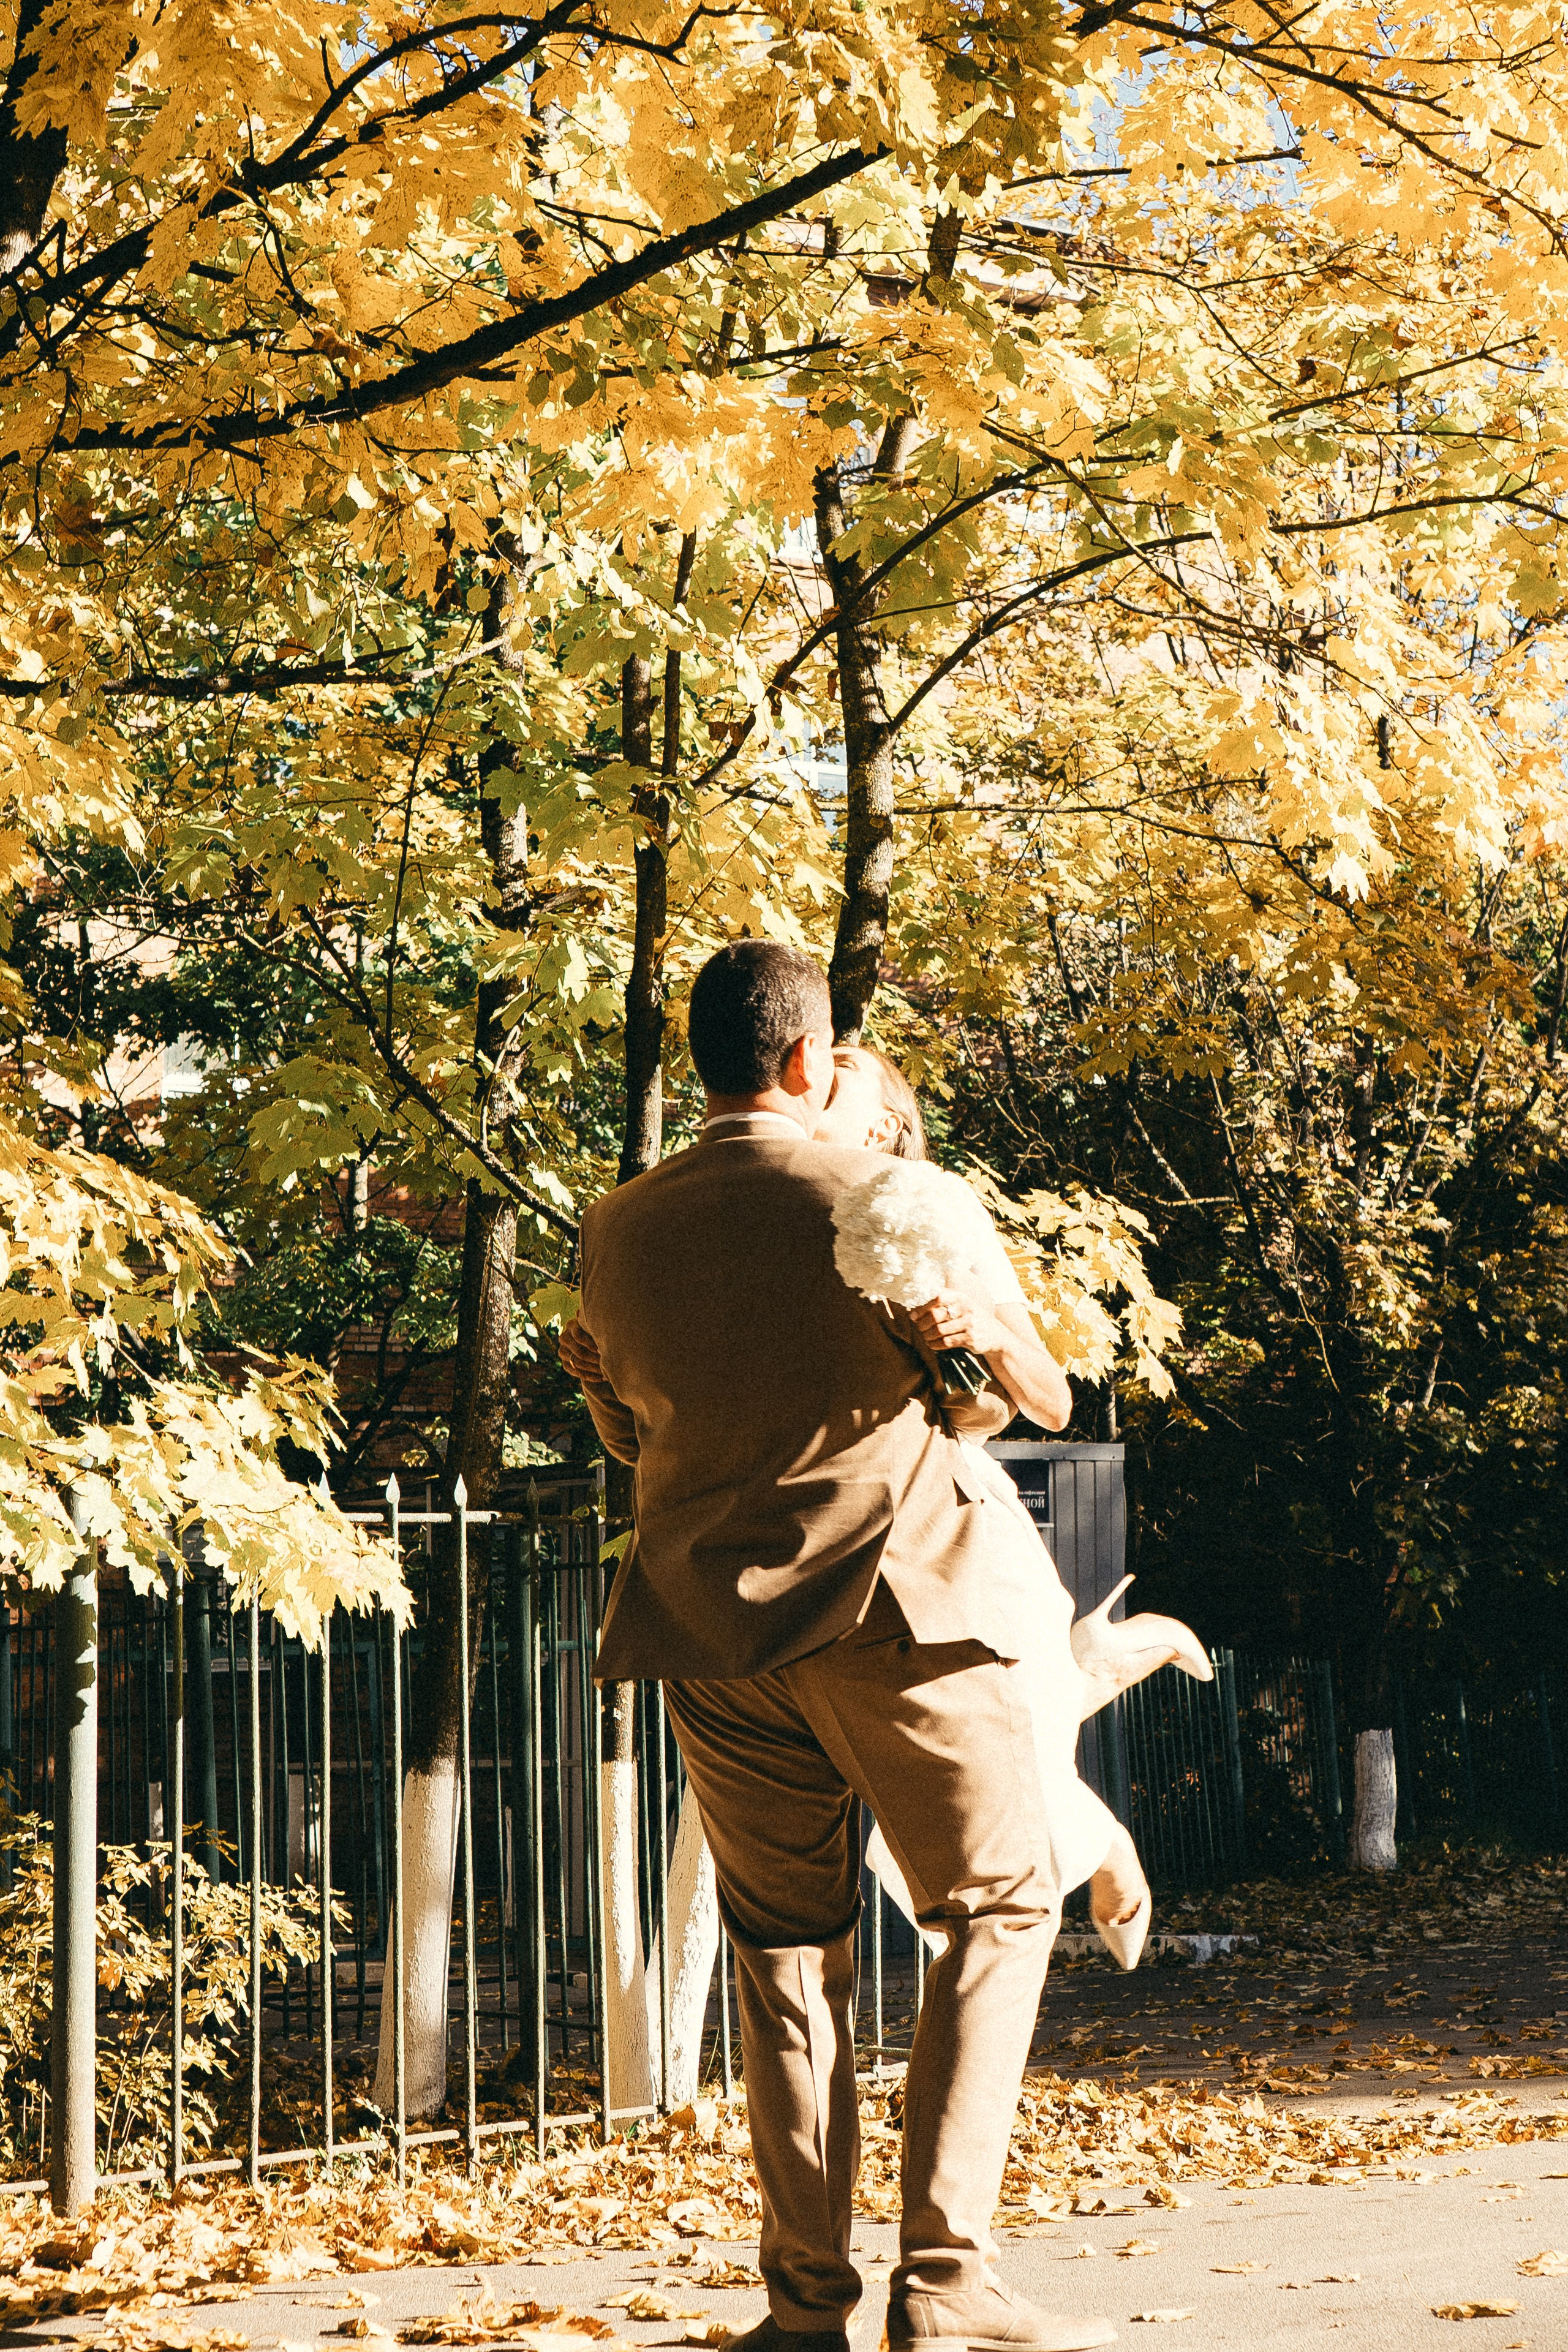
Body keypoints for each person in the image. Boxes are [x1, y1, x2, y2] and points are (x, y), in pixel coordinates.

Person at [568, 941, 1115, 2352]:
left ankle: (802, 2307)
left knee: (783, 1955)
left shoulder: (614, 1229)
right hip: (899, 1620)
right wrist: (964, 1329)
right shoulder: (882, 1198)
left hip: (710, 1641)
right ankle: (942, 2281)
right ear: (809, 1059)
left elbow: (635, 1441)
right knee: (994, 1910)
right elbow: (1036, 1397)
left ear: (705, 1062)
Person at [811, 1046, 1151, 1955]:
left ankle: (1096, 1858)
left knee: (1000, 1756)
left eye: (838, 1073)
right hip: (840, 1539)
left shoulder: (937, 1208)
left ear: (884, 1123)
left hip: (957, 1538)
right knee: (931, 1783)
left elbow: (1042, 1401)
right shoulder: (782, 1206)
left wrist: (981, 1329)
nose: (812, 1077)